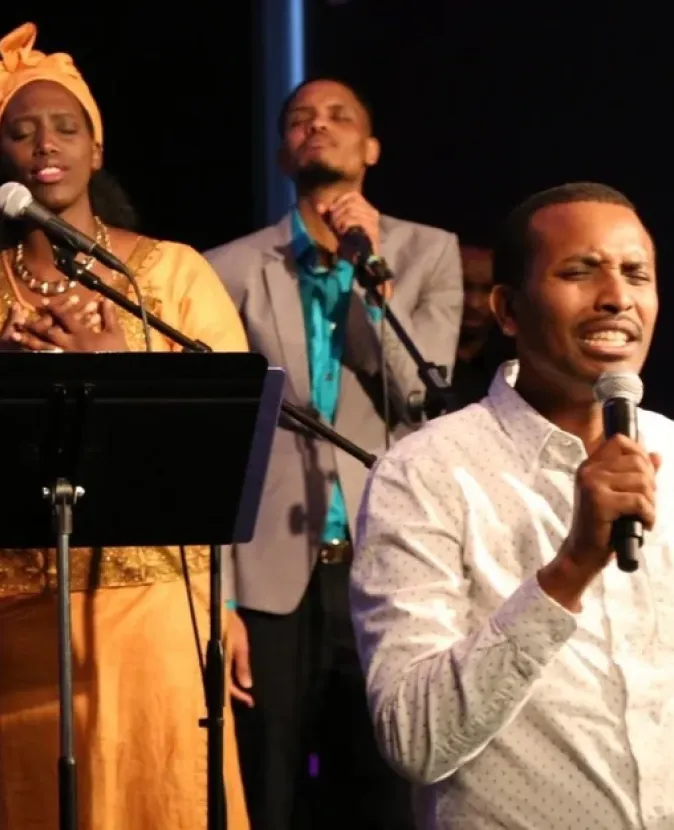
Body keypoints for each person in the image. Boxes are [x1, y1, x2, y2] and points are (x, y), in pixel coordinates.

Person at [350, 182, 673, 829]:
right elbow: (416, 738)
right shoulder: (424, 473)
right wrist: (572, 568)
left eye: (636, 273)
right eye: (579, 272)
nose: (616, 297)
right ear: (507, 310)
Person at [0, 22, 249, 830]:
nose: (46, 143)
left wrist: (120, 360)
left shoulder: (172, 272)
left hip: (156, 618)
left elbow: (229, 444)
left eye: (67, 126)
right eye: (21, 128)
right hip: (18, 627)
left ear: (97, 150)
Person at [206, 77, 463, 829]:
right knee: (266, 790)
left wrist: (367, 271)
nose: (316, 126)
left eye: (338, 116)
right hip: (269, 578)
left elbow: (418, 392)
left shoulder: (426, 255)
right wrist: (219, 598)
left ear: (371, 148)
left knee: (381, 796)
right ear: (284, 149)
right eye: (298, 119)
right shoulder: (226, 269)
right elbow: (219, 443)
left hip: (387, 566)